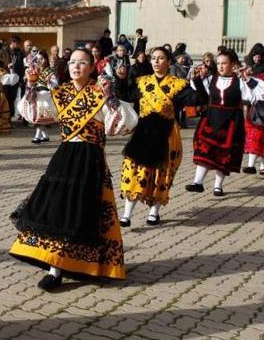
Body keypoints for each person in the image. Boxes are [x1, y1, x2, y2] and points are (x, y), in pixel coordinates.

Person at [10, 49, 137, 290]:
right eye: (72, 62)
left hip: (91, 160)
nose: (76, 66)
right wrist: (31, 83)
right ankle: (54, 268)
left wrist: (110, 96)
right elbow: (33, 113)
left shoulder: (100, 92)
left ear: (92, 67)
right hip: (66, 157)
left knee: (87, 213)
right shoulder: (61, 93)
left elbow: (122, 124)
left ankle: (92, 265)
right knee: (58, 210)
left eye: (82, 62)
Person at [119, 47, 198, 227]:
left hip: (167, 132)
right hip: (144, 131)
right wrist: (121, 80)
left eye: (160, 58)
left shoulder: (178, 84)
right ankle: (126, 214)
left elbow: (196, 100)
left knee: (162, 172)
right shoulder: (142, 82)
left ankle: (154, 211)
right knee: (133, 168)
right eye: (153, 58)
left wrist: (198, 81)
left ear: (168, 62)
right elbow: (125, 95)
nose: (156, 61)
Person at [184, 52, 264, 197]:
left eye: (224, 63)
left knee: (224, 152)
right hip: (211, 118)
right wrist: (197, 77)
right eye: (218, 63)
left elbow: (262, 92)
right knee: (205, 147)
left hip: (231, 120)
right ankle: (198, 182)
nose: (220, 66)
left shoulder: (240, 81)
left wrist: (247, 78)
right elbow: (200, 93)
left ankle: (218, 185)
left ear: (232, 65)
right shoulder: (211, 79)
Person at [25, 49, 58, 144]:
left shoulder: (49, 71)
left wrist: (49, 81)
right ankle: (45, 136)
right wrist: (30, 81)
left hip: (45, 95)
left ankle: (37, 136)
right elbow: (30, 82)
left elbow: (55, 84)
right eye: (38, 59)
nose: (40, 61)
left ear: (46, 60)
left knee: (40, 116)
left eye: (42, 59)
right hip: (35, 94)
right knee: (38, 115)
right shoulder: (34, 70)